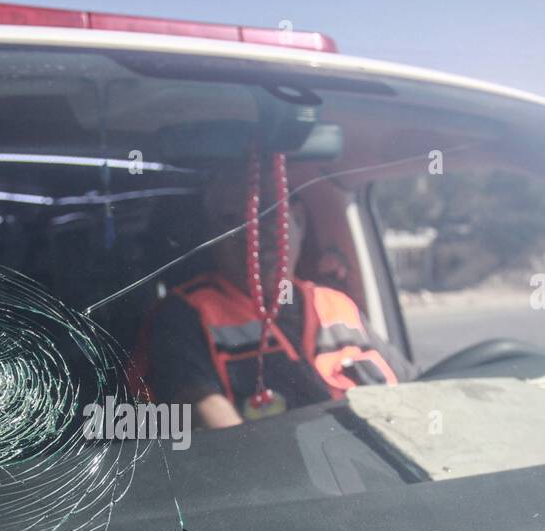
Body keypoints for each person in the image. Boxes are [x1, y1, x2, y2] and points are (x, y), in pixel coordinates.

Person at [141, 153, 414, 428]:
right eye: (232, 222)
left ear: (298, 221)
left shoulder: (339, 307)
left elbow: (416, 390)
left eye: (270, 213)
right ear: (212, 238)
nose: (254, 235)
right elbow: (217, 428)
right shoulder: (184, 316)